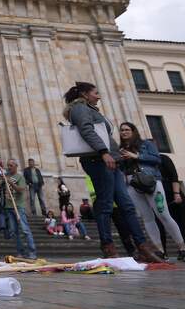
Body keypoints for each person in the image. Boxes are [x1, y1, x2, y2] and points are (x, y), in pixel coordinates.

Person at [63, 82, 162, 262]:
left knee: (127, 206)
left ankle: (142, 247)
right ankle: (107, 246)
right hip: (98, 160)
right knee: (106, 204)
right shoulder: (79, 108)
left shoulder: (89, 108)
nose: (98, 96)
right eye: (95, 93)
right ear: (85, 94)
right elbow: (86, 130)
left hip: (112, 162)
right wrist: (103, 152)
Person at [118, 122, 185, 261]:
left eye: (127, 129)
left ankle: (183, 248)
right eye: (122, 130)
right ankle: (159, 251)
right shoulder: (121, 148)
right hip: (132, 183)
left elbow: (156, 159)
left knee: (163, 214)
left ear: (134, 131)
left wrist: (136, 156)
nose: (124, 132)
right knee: (147, 218)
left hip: (150, 181)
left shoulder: (146, 144)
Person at [1, 159, 36, 259]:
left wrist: (10, 183)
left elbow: (21, 190)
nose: (9, 167)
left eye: (11, 165)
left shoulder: (20, 177)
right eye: (8, 165)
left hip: (18, 207)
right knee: (14, 231)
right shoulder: (6, 176)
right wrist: (2, 181)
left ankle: (32, 252)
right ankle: (20, 252)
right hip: (9, 207)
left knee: (25, 230)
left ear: (16, 166)